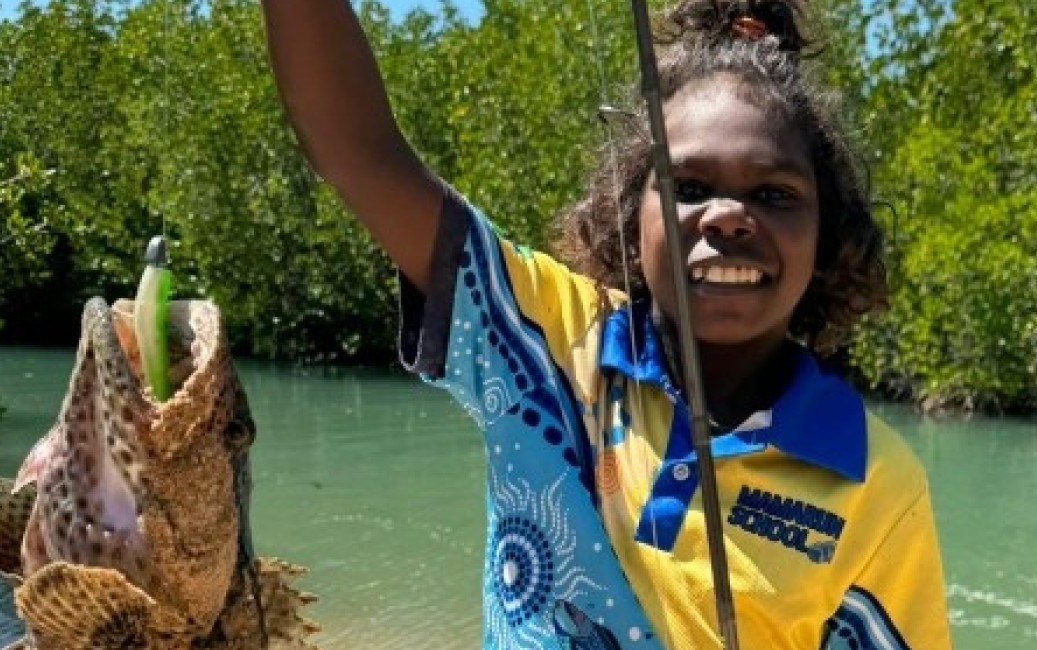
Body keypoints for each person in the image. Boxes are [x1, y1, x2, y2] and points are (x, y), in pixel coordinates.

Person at [260, 1, 952, 648]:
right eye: (688, 189)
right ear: (631, 213)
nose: (727, 217)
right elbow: (355, 147)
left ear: (827, 234)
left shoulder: (877, 483)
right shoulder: (554, 343)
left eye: (775, 194)